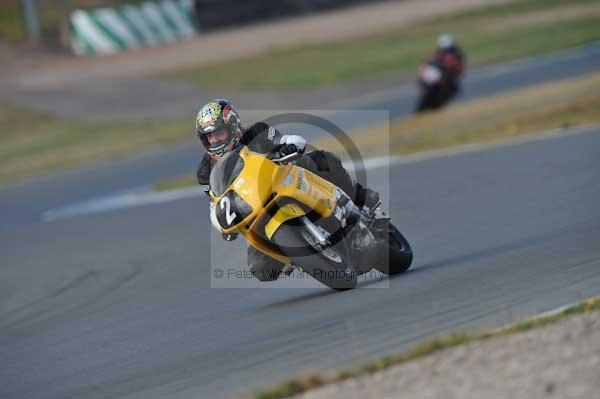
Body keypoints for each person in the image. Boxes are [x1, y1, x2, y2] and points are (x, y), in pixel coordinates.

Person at [195, 99, 380, 282]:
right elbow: (216, 202)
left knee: (321, 160)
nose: (214, 140)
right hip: (255, 209)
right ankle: (299, 256)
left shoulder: (256, 132)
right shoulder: (205, 171)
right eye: (208, 137)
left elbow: (286, 140)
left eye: (218, 132)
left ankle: (359, 197)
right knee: (260, 268)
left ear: (233, 125)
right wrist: (223, 226)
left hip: (285, 182)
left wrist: (289, 146)